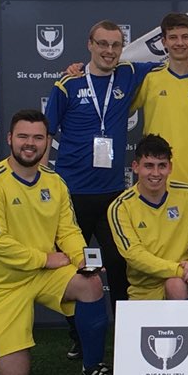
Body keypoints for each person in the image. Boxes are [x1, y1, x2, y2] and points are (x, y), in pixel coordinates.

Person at [0, 109, 110, 375]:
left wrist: (81, 258)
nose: (30, 143)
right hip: (3, 283)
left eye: (37, 137)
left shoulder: (54, 182)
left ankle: (93, 366)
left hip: (43, 274)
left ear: (47, 141)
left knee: (90, 283)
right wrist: (46, 259)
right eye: (23, 136)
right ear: (10, 138)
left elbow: (68, 230)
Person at [45, 19, 158, 357]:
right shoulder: (68, 84)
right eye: (103, 44)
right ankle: (78, 337)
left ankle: (126, 337)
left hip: (112, 197)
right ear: (90, 45)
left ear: (122, 48)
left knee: (120, 267)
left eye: (115, 45)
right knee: (73, 270)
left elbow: (175, 63)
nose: (109, 51)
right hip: (72, 196)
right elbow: (46, 132)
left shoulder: (129, 74)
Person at [130, 12, 188, 206]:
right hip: (154, 182)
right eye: (173, 37)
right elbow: (117, 106)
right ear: (164, 42)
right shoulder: (150, 79)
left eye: (184, 37)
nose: (179, 43)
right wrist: (81, 71)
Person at [108, 134, 188, 300]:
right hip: (144, 291)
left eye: (162, 166)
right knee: (175, 280)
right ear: (135, 167)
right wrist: (180, 270)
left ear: (170, 167)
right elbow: (135, 256)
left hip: (186, 282)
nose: (156, 173)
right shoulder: (121, 207)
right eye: (149, 166)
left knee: (175, 284)